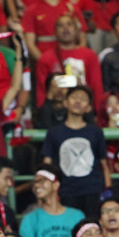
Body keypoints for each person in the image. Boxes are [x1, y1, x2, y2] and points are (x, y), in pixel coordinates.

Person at [41, 85, 110, 213]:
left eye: (83, 99)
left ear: (89, 107)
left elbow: (104, 164)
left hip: (92, 189)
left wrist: (108, 190)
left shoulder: (95, 132)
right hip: (66, 189)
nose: (78, 101)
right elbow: (47, 163)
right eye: (74, 97)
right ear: (65, 103)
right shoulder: (54, 132)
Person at [19, 164, 84, 237]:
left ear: (55, 185)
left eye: (42, 181)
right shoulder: (29, 219)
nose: (36, 185)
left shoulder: (77, 216)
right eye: (35, 182)